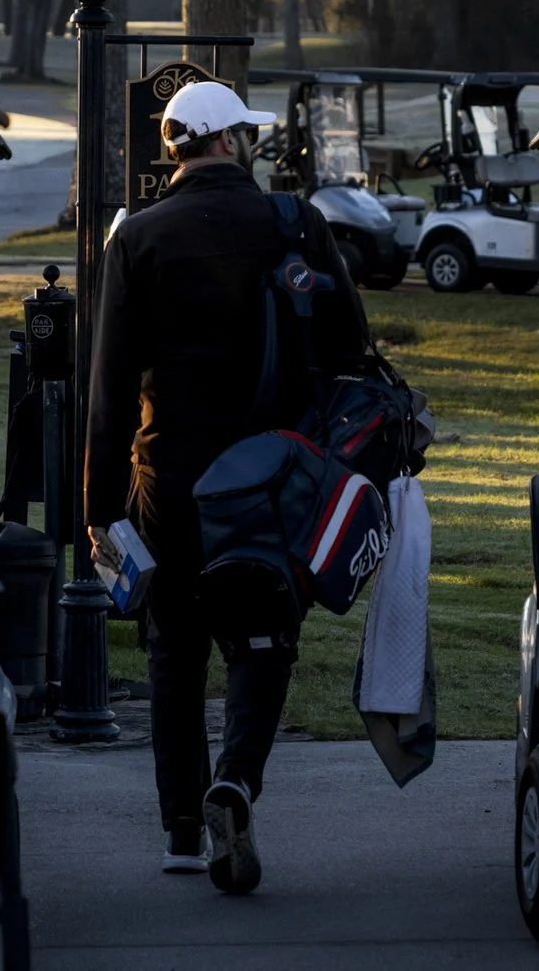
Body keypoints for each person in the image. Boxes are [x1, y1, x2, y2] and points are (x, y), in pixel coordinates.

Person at [83, 78, 371, 894]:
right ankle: (236, 782)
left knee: (174, 653)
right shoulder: (294, 223)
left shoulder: (136, 238)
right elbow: (351, 351)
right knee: (262, 639)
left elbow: (107, 391)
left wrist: (101, 509)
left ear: (176, 148)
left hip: (167, 480)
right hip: (275, 479)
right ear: (230, 142)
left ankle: (181, 827)